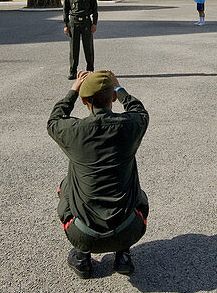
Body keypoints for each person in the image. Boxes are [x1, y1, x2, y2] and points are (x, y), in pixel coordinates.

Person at [48, 70, 149, 279]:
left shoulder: (74, 130)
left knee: (66, 186)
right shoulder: (130, 126)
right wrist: (119, 88)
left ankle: (82, 258)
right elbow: (139, 111)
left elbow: (54, 120)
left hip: (83, 234)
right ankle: (123, 255)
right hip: (129, 228)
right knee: (137, 192)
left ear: (85, 101)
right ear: (112, 98)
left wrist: (73, 90)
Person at [63, 0, 98, 79]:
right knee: (74, 48)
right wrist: (66, 24)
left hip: (86, 22)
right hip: (74, 22)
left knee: (88, 47)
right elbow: (65, 10)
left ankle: (90, 70)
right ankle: (73, 71)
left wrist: (94, 23)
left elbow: (95, 9)